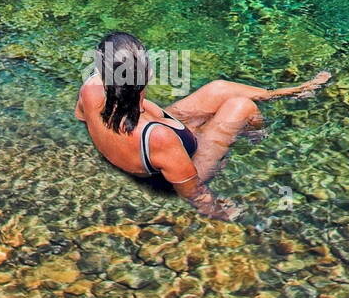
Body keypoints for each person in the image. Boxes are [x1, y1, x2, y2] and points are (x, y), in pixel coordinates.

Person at [76, 32, 333, 221]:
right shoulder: (157, 137)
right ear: (149, 74)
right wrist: (222, 213)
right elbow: (193, 190)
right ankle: (261, 140)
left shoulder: (91, 89)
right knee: (242, 107)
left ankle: (290, 92)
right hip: (173, 167)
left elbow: (82, 117)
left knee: (219, 89)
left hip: (152, 131)